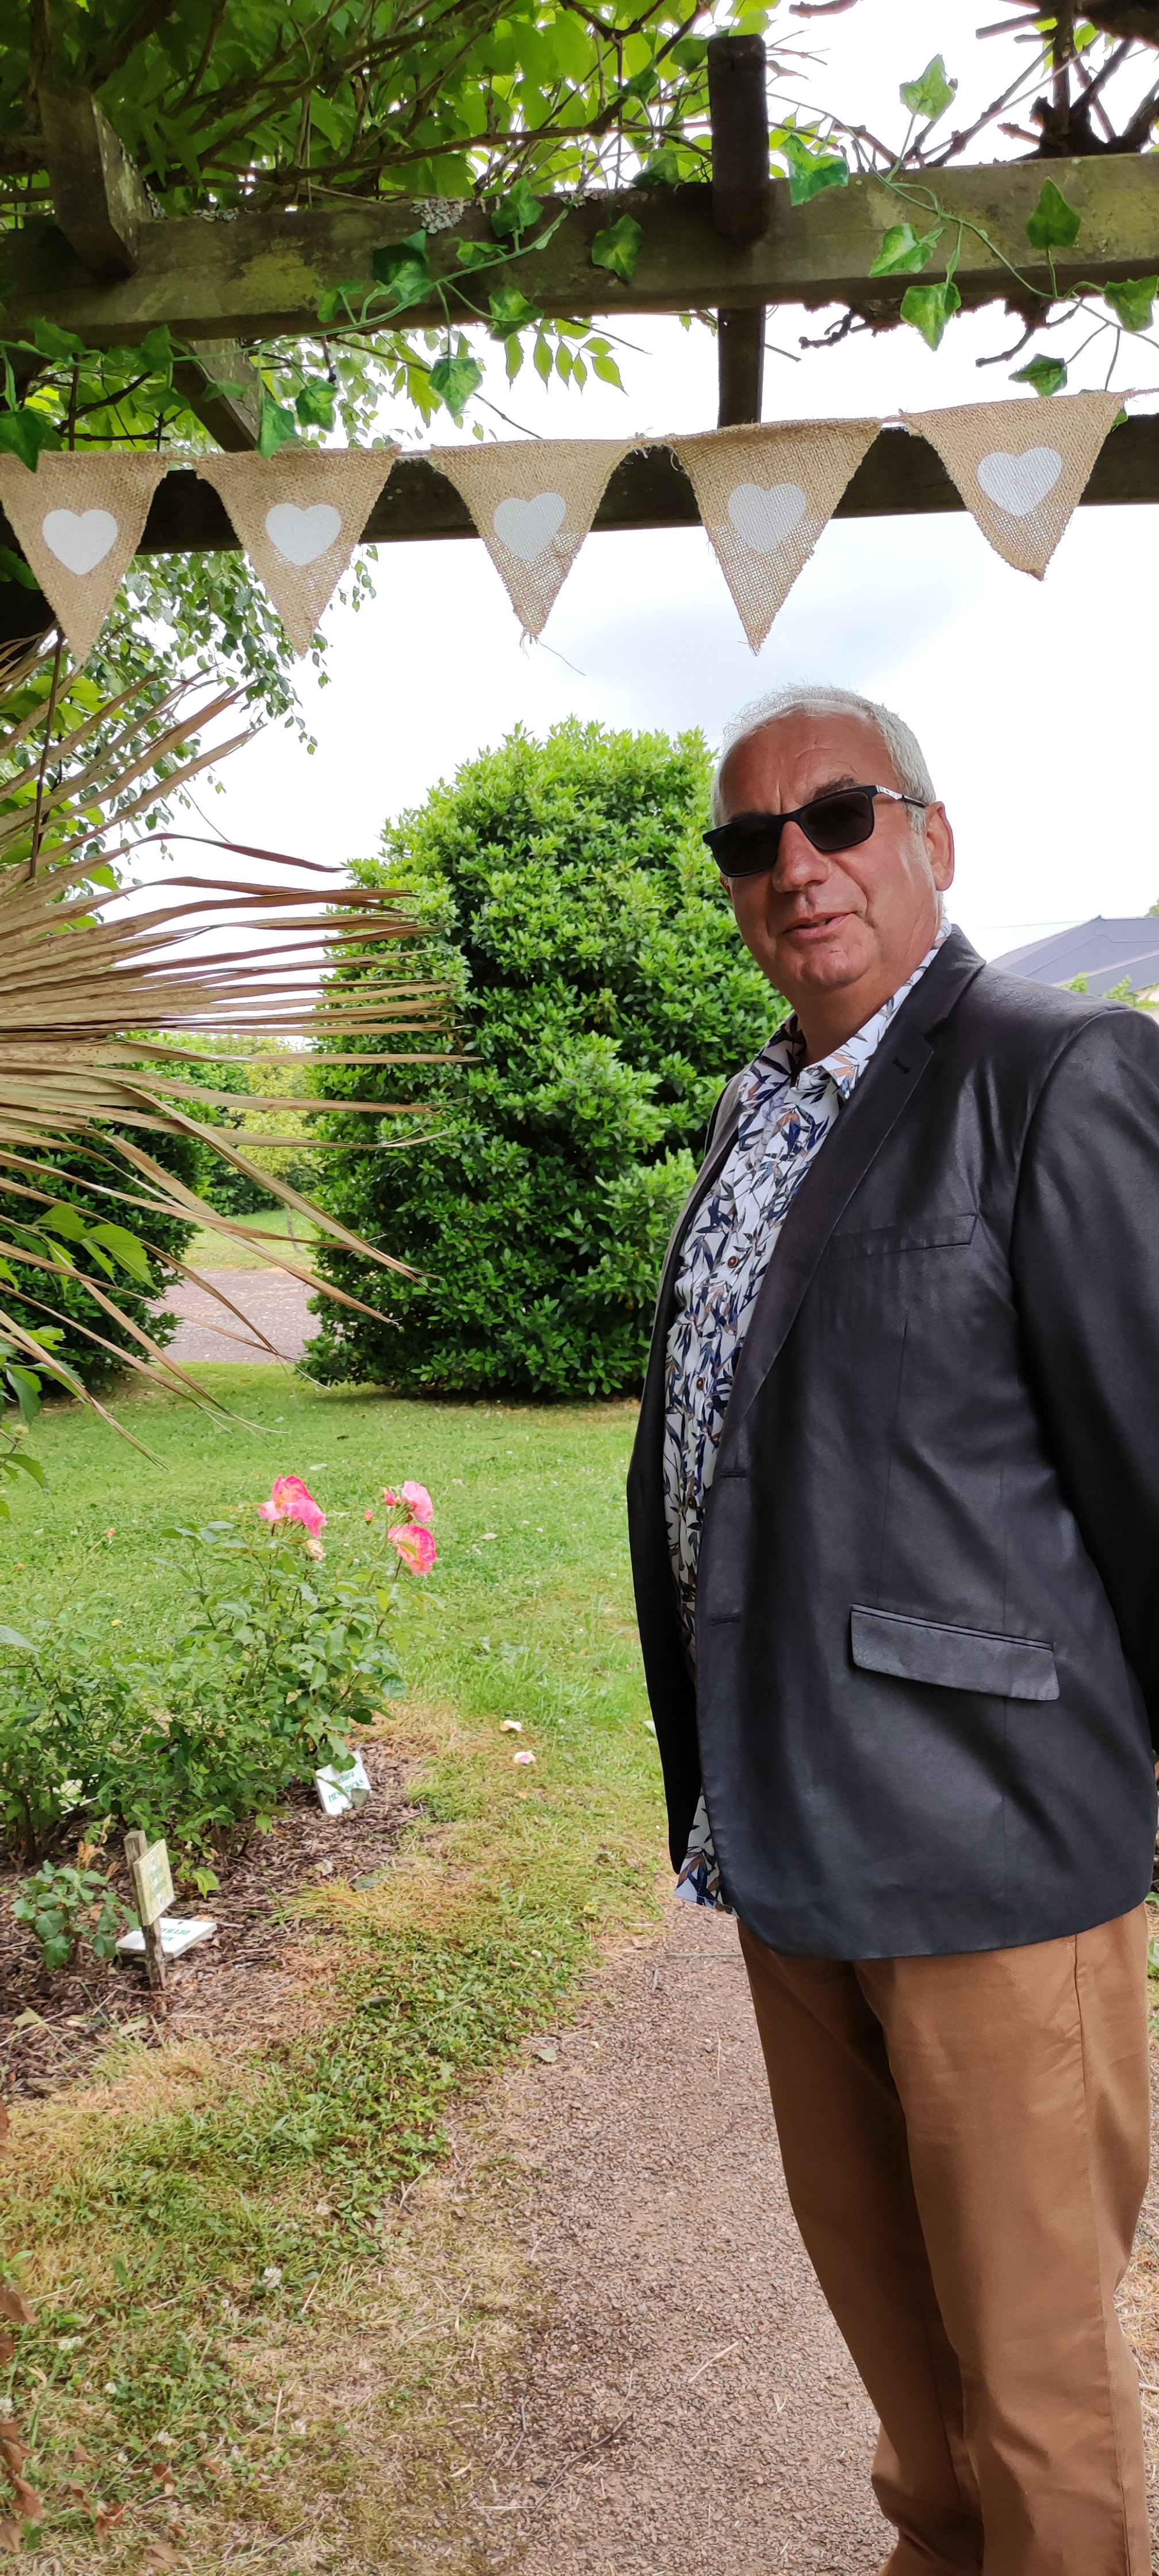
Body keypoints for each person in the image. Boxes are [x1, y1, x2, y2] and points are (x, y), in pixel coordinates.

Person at [626, 681, 1159, 2575]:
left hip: (992, 1850)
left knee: (1033, 2384)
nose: (796, 866)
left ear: (931, 838)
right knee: (903, 2360)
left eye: (838, 817)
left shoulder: (1054, 1070)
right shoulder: (754, 1104)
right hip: (789, 1835)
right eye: (750, 840)